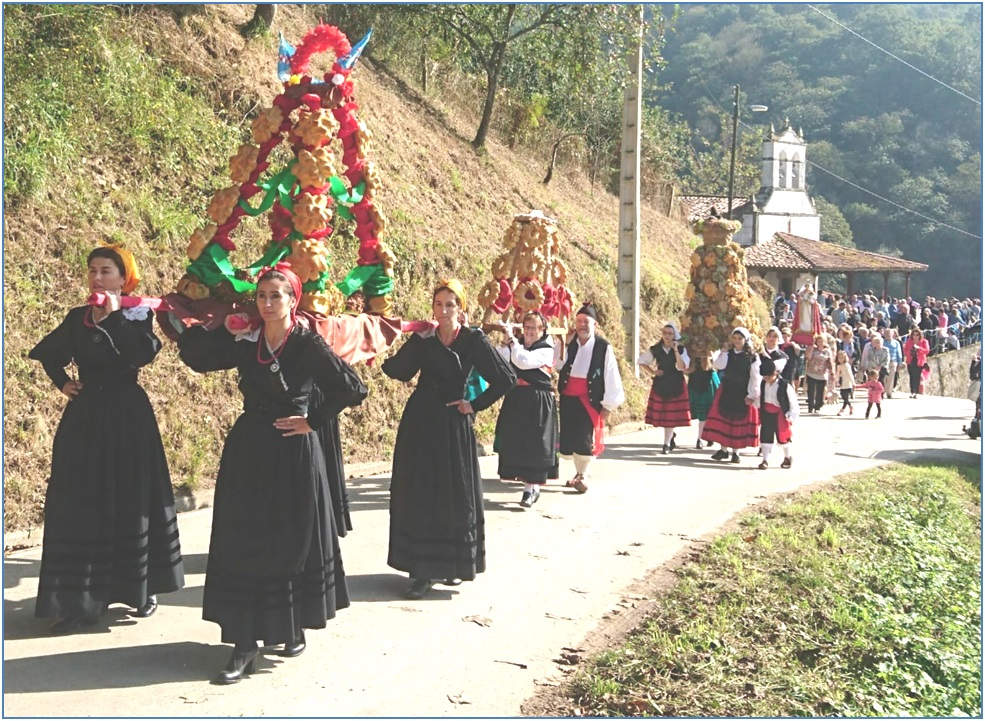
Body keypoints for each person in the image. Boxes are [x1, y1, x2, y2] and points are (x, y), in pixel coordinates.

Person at [176, 263, 367, 684]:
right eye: (262, 296)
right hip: (250, 447)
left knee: (287, 538)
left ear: (292, 301)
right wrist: (225, 327)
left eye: (275, 296)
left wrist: (312, 420)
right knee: (245, 535)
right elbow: (197, 358)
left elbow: (351, 387)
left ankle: (289, 624)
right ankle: (245, 641)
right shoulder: (248, 340)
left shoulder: (306, 344)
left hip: (293, 450)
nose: (267, 303)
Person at [28, 244, 184, 635]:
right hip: (85, 419)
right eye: (93, 270)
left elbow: (143, 354)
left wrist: (114, 318)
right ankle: (77, 602)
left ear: (123, 277)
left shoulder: (137, 315)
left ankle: (140, 589)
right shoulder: (77, 318)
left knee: (131, 496)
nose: (97, 278)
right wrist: (63, 383)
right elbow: (49, 353)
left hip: (128, 417)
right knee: (78, 502)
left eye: (107, 271)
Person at [382, 279, 515, 599]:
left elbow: (505, 379)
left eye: (450, 304)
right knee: (420, 492)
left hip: (453, 424)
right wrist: (415, 339)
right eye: (438, 304)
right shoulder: (426, 339)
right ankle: (422, 571)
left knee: (452, 494)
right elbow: (397, 370)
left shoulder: (473, 341)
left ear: (461, 309)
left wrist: (473, 405)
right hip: (420, 422)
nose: (443, 310)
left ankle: (453, 564)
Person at [554, 303, 625, 492]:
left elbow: (611, 374)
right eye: (578, 321)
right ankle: (578, 474)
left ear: (595, 325)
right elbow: (557, 364)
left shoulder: (603, 347)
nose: (582, 325)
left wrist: (608, 405)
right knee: (572, 438)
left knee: (585, 439)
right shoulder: (571, 343)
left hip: (589, 399)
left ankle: (583, 476)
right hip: (569, 398)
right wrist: (564, 343)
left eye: (586, 321)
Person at [494, 311, 558, 508]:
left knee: (534, 446)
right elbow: (502, 359)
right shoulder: (518, 345)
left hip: (537, 402)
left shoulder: (547, 349)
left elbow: (524, 361)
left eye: (533, 328)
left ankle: (530, 489)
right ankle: (526, 483)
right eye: (526, 327)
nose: (529, 331)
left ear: (542, 330)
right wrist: (506, 342)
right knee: (516, 442)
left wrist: (513, 341)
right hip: (517, 398)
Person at [702, 327, 761, 464]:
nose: (737, 341)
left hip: (742, 391)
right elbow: (718, 365)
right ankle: (723, 449)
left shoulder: (752, 357)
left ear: (745, 340)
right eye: (734, 338)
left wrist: (752, 394)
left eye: (739, 339)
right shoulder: (728, 353)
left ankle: (736, 452)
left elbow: (755, 377)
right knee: (725, 419)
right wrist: (722, 352)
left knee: (738, 421)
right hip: (727, 389)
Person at [637, 323, 690, 454]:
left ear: (674, 335)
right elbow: (641, 361)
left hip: (676, 383)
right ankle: (669, 438)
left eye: (670, 334)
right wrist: (652, 371)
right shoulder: (656, 349)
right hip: (661, 383)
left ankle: (666, 444)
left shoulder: (681, 349)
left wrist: (676, 350)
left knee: (670, 418)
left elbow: (681, 366)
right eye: (665, 333)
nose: (667, 336)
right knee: (665, 417)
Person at [754, 356, 798, 470]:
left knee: (783, 437)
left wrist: (791, 414)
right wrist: (756, 404)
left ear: (775, 373)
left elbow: (792, 400)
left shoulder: (784, 385)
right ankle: (765, 460)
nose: (766, 379)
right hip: (767, 413)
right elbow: (761, 397)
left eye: (768, 376)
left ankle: (787, 457)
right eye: (764, 377)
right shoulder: (763, 384)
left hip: (780, 414)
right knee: (765, 436)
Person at [687, 350, 720, 449]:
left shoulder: (713, 348)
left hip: (709, 379)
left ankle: (705, 436)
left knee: (710, 412)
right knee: (703, 414)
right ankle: (700, 438)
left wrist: (710, 355)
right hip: (696, 379)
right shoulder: (691, 349)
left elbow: (718, 364)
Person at [803, 333, 833, 414]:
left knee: (820, 391)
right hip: (811, 373)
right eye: (818, 341)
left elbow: (830, 362)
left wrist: (832, 372)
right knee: (811, 391)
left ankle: (818, 406)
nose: (820, 343)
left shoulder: (827, 351)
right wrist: (812, 348)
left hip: (822, 374)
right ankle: (810, 406)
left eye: (822, 341)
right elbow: (808, 357)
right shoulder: (813, 349)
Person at [903, 328, 930, 398]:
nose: (915, 336)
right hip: (911, 361)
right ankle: (912, 391)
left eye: (917, 335)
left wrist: (919, 348)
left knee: (917, 377)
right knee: (911, 376)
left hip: (919, 361)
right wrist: (909, 352)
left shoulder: (924, 341)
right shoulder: (909, 341)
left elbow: (927, 351)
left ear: (919, 335)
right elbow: (905, 350)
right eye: (914, 335)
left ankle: (916, 392)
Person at [833, 349, 856, 416]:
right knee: (844, 397)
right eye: (839, 358)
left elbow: (850, 374)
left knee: (845, 397)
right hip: (842, 383)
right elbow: (838, 374)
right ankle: (850, 407)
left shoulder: (846, 365)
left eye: (842, 358)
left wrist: (853, 383)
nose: (840, 359)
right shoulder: (839, 366)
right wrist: (835, 380)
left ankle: (842, 410)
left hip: (848, 383)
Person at [883, 328, 902, 398]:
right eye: (886, 333)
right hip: (884, 362)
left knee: (891, 377)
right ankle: (883, 391)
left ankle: (889, 392)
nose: (888, 335)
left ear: (892, 334)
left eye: (889, 333)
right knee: (884, 378)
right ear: (884, 334)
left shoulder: (896, 343)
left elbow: (899, 353)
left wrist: (899, 363)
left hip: (893, 361)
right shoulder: (882, 342)